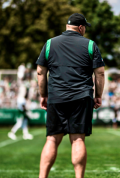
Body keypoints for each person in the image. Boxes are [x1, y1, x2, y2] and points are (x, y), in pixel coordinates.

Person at [36, 13, 105, 178]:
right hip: (81, 97)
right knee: (78, 139)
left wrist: (44, 94)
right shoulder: (90, 45)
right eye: (85, 28)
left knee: (52, 139)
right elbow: (100, 73)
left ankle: (42, 177)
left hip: (56, 96)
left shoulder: (50, 43)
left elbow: (40, 72)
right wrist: (98, 95)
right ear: (81, 28)